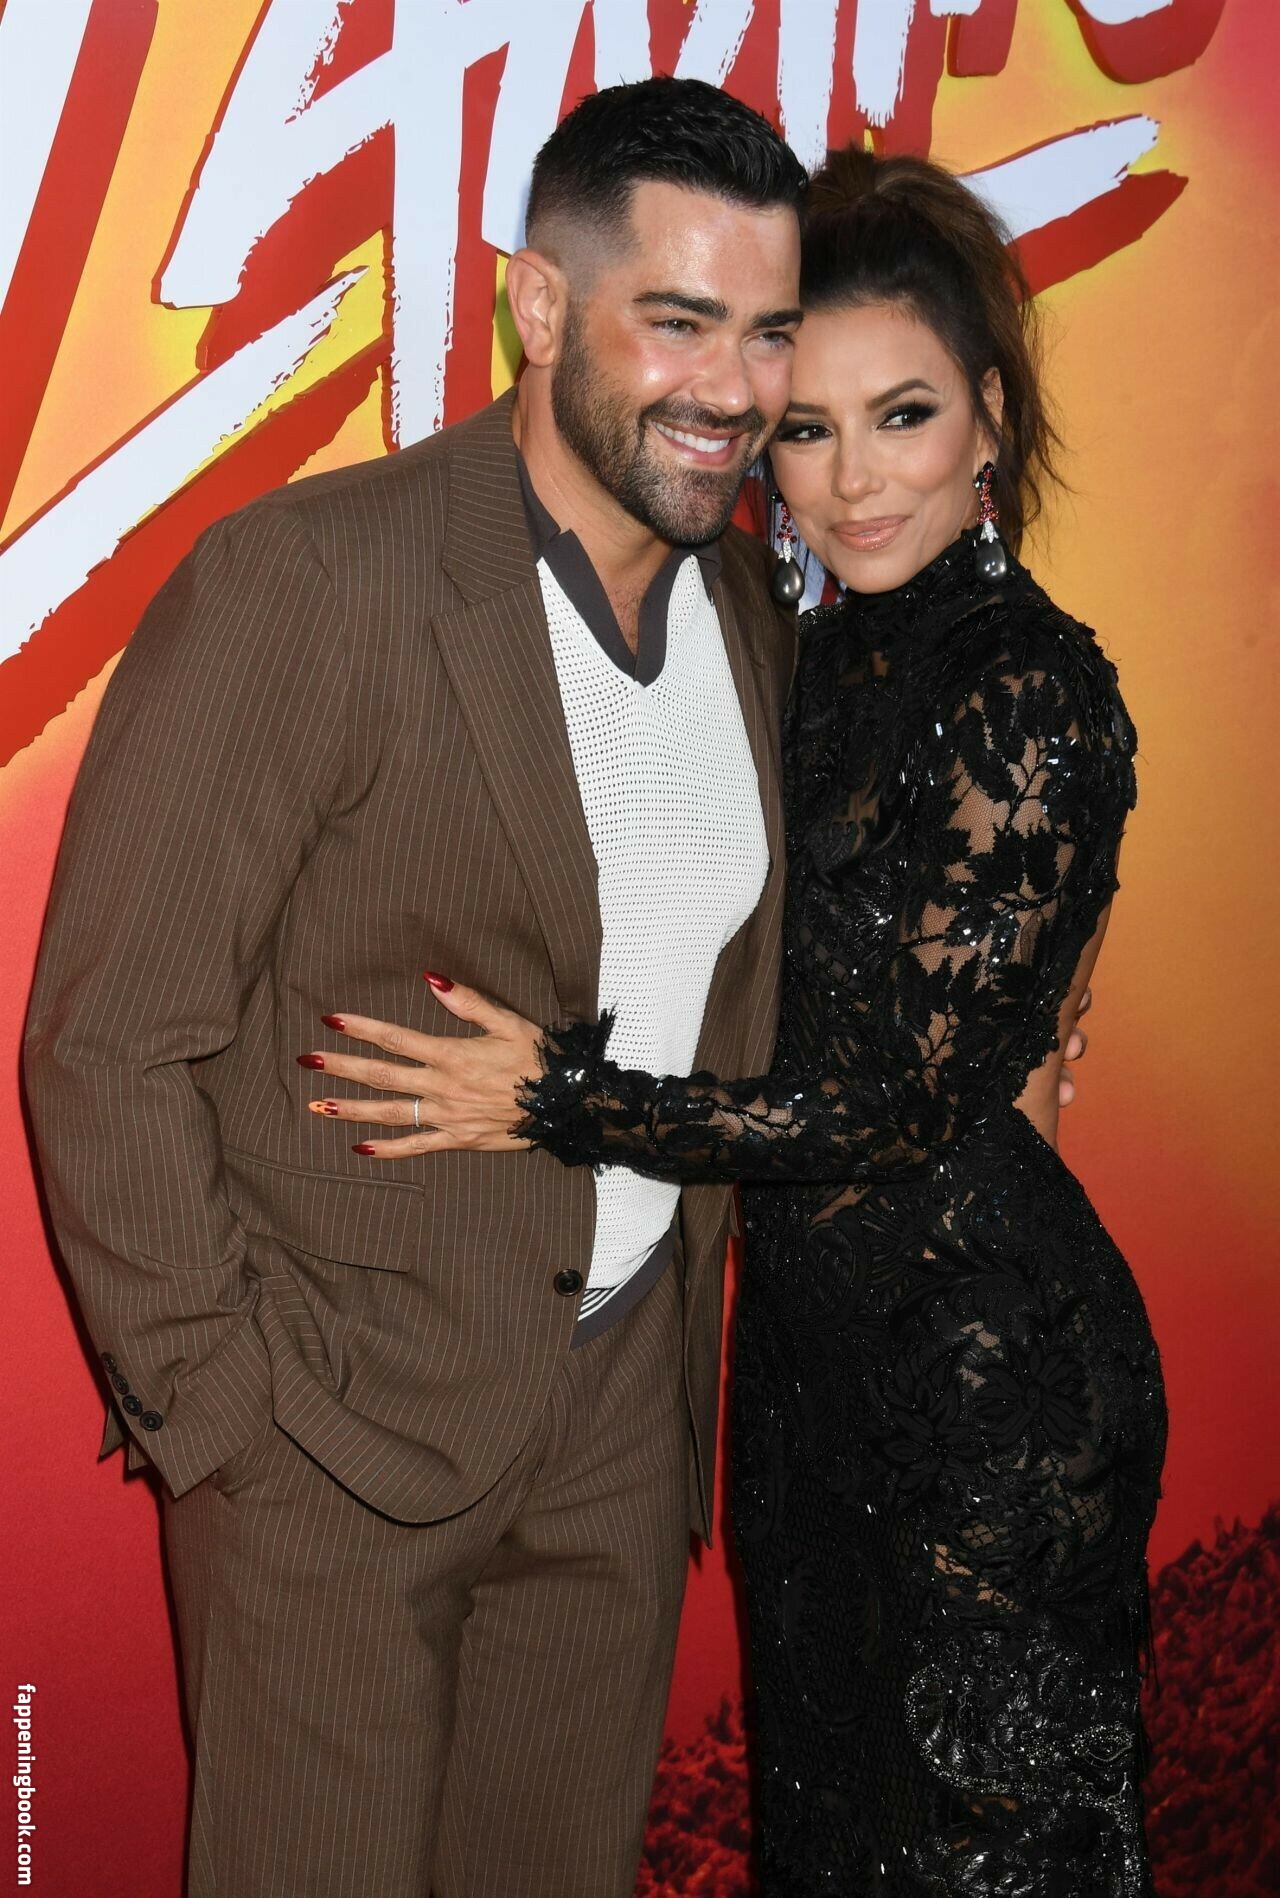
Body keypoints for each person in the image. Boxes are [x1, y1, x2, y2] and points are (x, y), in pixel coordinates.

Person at [318, 149, 1166, 1895]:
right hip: (799, 1383)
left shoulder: (1031, 686)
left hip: (986, 1391)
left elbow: (885, 1105)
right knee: (827, 1839)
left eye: (904, 416)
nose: (852, 480)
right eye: (807, 429)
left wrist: (558, 1097)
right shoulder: (802, 652)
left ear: (991, 419)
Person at [23, 78, 808, 1898]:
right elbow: (107, 1036)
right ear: (541, 304)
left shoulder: (750, 614)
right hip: (334, 1445)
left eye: (769, 331)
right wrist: (231, 1421)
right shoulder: (313, 579)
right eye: (678, 320)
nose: (735, 387)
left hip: (621, 1431)